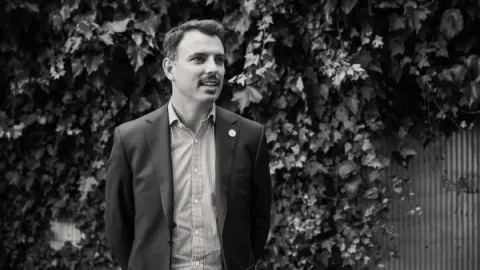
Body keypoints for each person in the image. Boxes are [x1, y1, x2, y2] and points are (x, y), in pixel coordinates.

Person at [104, 19, 272, 270]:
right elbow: (119, 226)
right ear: (170, 69)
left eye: (219, 60)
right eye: (199, 59)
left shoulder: (250, 137)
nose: (213, 69)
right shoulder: (131, 139)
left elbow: (258, 220)